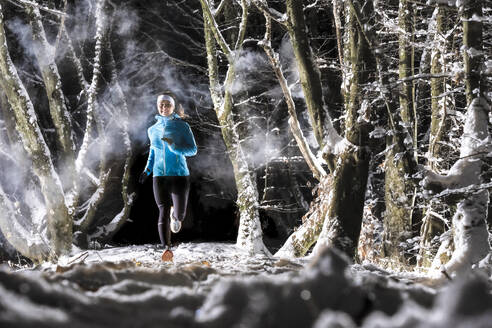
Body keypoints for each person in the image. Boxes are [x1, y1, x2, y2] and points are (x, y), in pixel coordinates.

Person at [139, 94, 197, 250]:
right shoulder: (152, 130)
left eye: (167, 105)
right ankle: (166, 248)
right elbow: (153, 151)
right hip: (159, 176)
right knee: (162, 210)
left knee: (180, 215)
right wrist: (147, 170)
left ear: (173, 107)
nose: (164, 107)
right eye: (161, 104)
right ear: (158, 106)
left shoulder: (183, 126)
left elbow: (193, 150)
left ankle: (176, 216)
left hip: (179, 175)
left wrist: (174, 147)